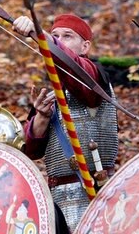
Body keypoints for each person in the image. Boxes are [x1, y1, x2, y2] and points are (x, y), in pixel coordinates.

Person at [13, 13, 119, 231]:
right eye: (55, 36)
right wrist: (41, 117)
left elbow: (76, 69)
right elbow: (31, 150)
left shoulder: (95, 77)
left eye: (67, 36)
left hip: (95, 192)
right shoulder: (54, 91)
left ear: (85, 46)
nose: (60, 40)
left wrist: (41, 35)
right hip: (58, 198)